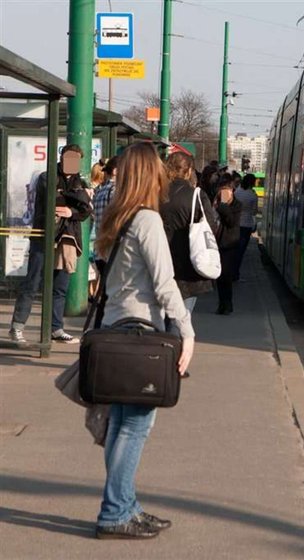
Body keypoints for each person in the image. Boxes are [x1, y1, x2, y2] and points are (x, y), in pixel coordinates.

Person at [93, 142, 194, 540]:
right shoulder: (147, 220)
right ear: (151, 174)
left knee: (121, 425)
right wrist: (186, 330)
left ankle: (126, 505)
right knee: (134, 427)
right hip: (140, 331)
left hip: (116, 328)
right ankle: (116, 512)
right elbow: (165, 284)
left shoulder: (119, 217)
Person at [9, 144, 92, 344]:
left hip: (67, 237)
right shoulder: (47, 176)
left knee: (60, 286)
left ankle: (56, 328)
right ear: (62, 157)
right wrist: (78, 196)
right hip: (43, 236)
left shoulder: (79, 180)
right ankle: (17, 327)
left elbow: (85, 210)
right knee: (33, 281)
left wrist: (72, 210)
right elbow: (54, 198)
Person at [160, 151, 219, 314]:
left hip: (159, 262)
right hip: (188, 266)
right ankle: (175, 339)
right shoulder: (196, 196)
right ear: (188, 171)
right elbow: (211, 227)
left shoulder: (156, 193)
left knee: (159, 315)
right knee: (181, 316)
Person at [214, 175, 241, 315]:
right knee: (219, 276)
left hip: (229, 243)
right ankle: (221, 303)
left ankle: (228, 304)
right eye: (222, 190)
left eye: (227, 190)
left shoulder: (237, 205)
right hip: (216, 243)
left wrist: (224, 206)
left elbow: (231, 222)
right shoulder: (215, 203)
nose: (224, 193)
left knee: (226, 275)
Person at [233, 173, 258, 281]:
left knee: (234, 249)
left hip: (235, 223)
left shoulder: (237, 192)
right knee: (241, 251)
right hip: (246, 225)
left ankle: (231, 272)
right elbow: (254, 212)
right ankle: (236, 274)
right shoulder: (253, 195)